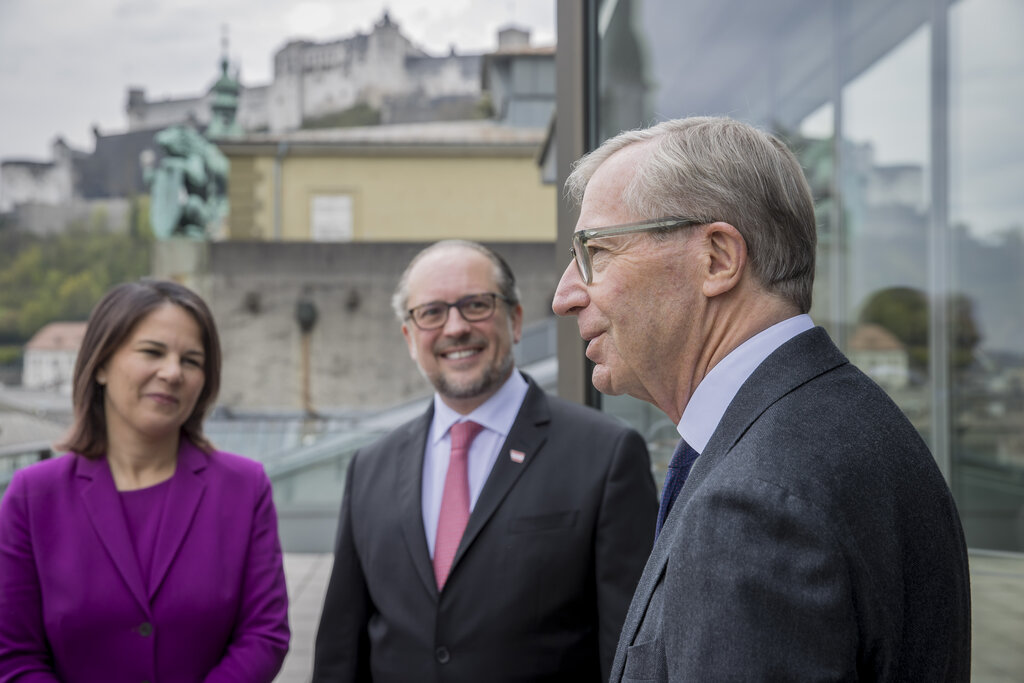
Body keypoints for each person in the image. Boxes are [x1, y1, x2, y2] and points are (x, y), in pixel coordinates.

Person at [552, 117, 971, 681]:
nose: (565, 296)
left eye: (596, 251)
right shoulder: (845, 424)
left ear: (718, 259)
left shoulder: (753, 504)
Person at [313, 240, 658, 682]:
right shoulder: (370, 469)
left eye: (476, 305)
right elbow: (340, 653)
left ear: (514, 320)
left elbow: (629, 652)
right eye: (431, 312)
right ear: (409, 337)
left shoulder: (606, 456)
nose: (455, 327)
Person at [0, 280, 290, 682]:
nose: (172, 372)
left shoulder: (244, 488)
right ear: (100, 364)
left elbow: (264, 635)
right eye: (152, 352)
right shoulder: (33, 496)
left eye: (191, 361)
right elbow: (13, 655)